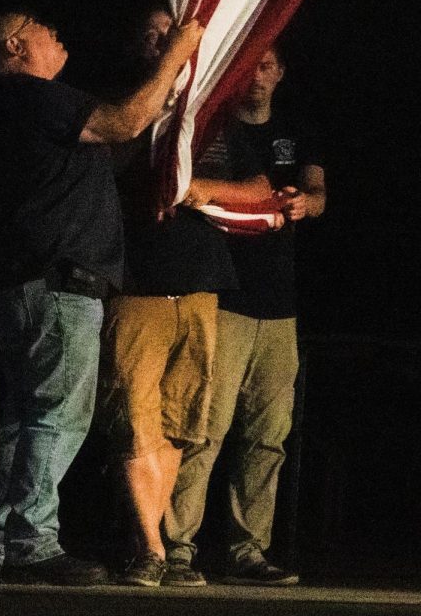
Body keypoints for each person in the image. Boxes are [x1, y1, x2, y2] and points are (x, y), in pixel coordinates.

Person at [0, 8, 203, 585]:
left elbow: (122, 135)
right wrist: (177, 54)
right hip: (56, 286)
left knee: (23, 419)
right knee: (56, 417)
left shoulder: (10, 110)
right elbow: (124, 123)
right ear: (15, 44)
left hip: (19, 286)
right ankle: (32, 544)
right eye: (41, 27)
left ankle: (3, 544)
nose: (58, 32)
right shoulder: (33, 96)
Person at [98, 13, 278, 589]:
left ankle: (158, 546)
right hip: (138, 284)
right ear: (136, 44)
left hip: (199, 283)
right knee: (134, 419)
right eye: (153, 33)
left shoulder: (211, 117)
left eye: (172, 31)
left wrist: (197, 189)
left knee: (179, 423)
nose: (165, 40)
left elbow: (260, 191)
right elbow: (116, 166)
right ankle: (149, 546)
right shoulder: (122, 106)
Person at [164, 44, 325, 586]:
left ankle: (247, 550)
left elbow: (317, 188)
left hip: (280, 307)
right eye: (249, 65)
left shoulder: (296, 129)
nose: (256, 75)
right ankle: (175, 546)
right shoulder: (213, 128)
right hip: (225, 298)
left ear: (280, 72)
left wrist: (306, 203)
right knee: (205, 428)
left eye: (267, 65)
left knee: (268, 434)